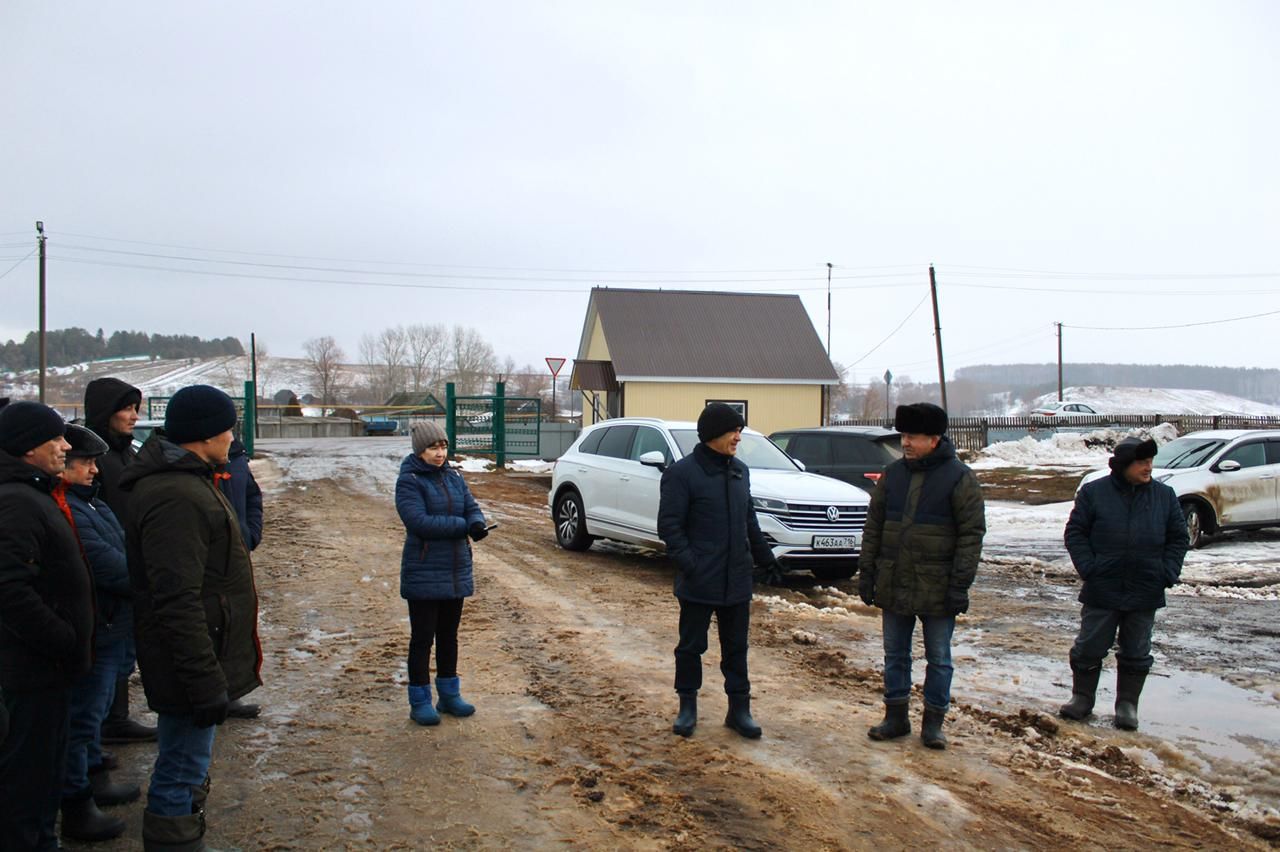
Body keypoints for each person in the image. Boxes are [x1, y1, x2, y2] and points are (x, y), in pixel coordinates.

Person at [120, 385, 262, 850]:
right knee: (182, 765)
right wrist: (203, 679)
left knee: (187, 761)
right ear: (204, 436)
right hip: (188, 664)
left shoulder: (190, 480)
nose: (231, 438)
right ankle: (173, 841)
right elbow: (176, 599)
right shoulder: (176, 495)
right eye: (227, 429)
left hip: (198, 656)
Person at [859, 402, 986, 750]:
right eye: (904, 436)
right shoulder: (893, 475)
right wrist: (867, 573)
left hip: (938, 587)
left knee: (939, 658)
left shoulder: (960, 478)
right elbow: (874, 527)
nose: (906, 443)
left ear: (934, 439)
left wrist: (960, 585)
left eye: (912, 437)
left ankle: (933, 723)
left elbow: (971, 536)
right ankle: (895, 717)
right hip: (894, 580)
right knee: (895, 655)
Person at [0, 401, 94, 850]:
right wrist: (63, 638)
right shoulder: (16, 501)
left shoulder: (30, 492)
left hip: (46, 667)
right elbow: (9, 590)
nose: (66, 445)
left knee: (41, 772)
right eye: (56, 437)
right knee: (28, 776)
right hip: (33, 668)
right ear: (27, 447)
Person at [657, 403, 781, 739]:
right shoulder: (682, 474)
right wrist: (690, 564)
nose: (738, 437)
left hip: (736, 577)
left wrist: (765, 557)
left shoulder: (740, 471)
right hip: (699, 578)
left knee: (736, 648)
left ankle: (739, 710)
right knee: (691, 647)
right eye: (733, 431)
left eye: (739, 430)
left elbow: (748, 520)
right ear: (714, 434)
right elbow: (669, 527)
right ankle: (687, 707)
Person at [1060, 436, 1188, 730]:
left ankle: (1127, 705)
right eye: (1142, 462)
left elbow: (1178, 538)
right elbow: (1075, 533)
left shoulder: (1164, 496)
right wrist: (1089, 568)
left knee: (1137, 650)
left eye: (1150, 461)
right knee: (1090, 646)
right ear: (1123, 465)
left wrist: (1167, 571)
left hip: (1146, 587)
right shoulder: (1094, 493)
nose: (1148, 467)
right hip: (1102, 586)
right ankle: (1082, 699)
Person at [59, 425, 141, 843]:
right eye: (86, 463)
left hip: (113, 623)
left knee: (96, 707)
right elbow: (112, 566)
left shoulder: (93, 505)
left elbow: (124, 549)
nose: (94, 470)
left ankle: (93, 778)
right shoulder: (70, 510)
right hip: (100, 626)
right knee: (84, 715)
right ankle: (77, 797)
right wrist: (147, 580)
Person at [396, 421, 488, 726]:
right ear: (420, 450)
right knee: (423, 639)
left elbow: (470, 506)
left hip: (454, 568)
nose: (440, 453)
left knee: (449, 636)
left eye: (443, 446)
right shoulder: (409, 481)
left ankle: (449, 695)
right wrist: (464, 527)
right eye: (433, 447)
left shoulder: (454, 476)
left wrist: (476, 522)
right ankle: (419, 701)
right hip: (424, 570)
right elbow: (419, 522)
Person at [85, 377, 158, 745]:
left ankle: (116, 718)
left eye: (136, 409)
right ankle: (99, 730)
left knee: (125, 651)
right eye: (126, 409)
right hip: (109, 568)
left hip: (131, 559)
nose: (133, 416)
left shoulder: (127, 452)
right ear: (105, 412)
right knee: (108, 655)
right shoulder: (93, 457)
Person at [219, 437, 264, 720]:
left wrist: (250, 534)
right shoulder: (193, 467)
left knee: (235, 622)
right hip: (210, 557)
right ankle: (214, 694)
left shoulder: (236, 458)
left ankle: (230, 692)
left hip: (237, 554)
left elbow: (252, 495)